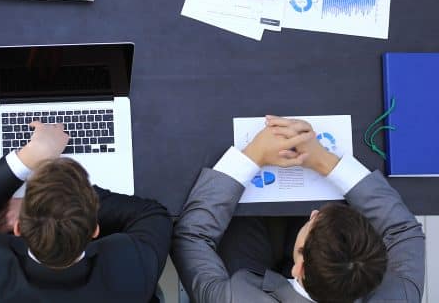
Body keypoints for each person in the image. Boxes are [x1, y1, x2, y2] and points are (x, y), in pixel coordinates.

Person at [172, 116, 425, 302]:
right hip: (298, 275)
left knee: (239, 225)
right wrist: (324, 161)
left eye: (315, 220)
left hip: (253, 282)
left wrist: (253, 155)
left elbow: (192, 237)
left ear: (299, 268)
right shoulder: (398, 296)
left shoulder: (236, 298)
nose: (313, 213)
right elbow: (403, 231)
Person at [0, 121, 172, 302]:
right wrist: (71, 203)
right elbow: (152, 214)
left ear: (19, 228)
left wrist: (31, 156)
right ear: (94, 230)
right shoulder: (133, 266)